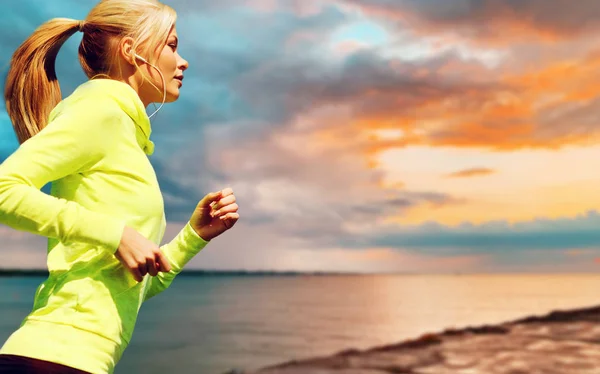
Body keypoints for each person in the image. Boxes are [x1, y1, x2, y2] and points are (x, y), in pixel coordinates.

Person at [0, 0, 240, 373]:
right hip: (52, 358)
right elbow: (4, 189)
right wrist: (116, 235)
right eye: (172, 45)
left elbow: (135, 283)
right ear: (131, 51)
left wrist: (194, 236)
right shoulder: (100, 112)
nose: (184, 61)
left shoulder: (126, 135)